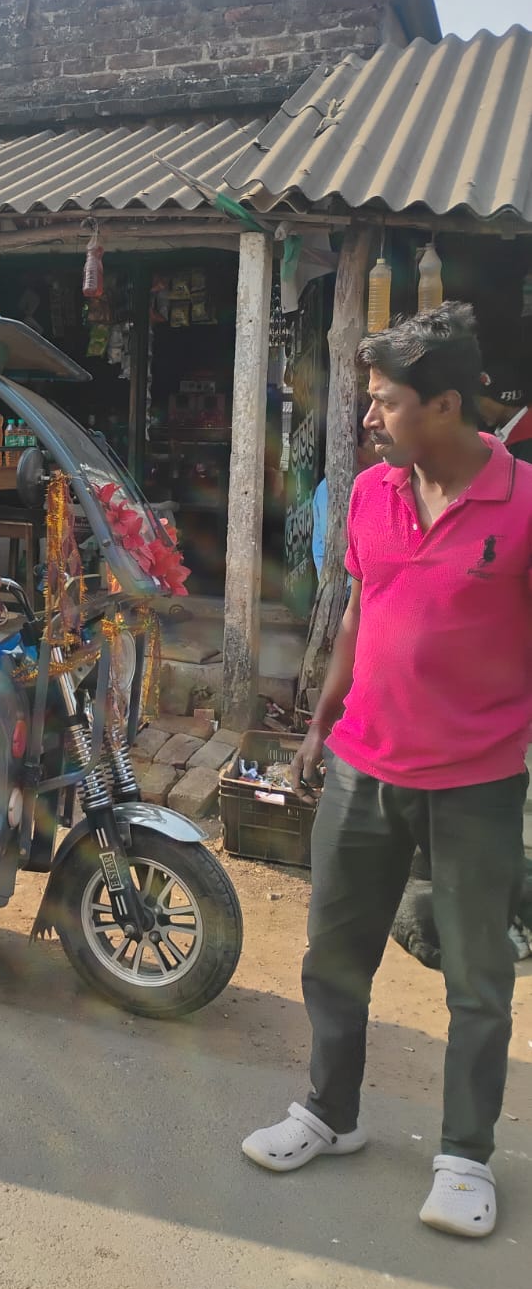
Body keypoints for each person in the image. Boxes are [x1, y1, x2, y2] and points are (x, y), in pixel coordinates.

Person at [242, 303, 531, 1239]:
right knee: (334, 958)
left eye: (386, 401)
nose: (368, 416)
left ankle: (464, 1157)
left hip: (477, 781)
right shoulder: (372, 491)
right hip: (364, 766)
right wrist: (321, 726)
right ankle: (330, 1115)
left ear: (446, 405)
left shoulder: (524, 504)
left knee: (477, 980)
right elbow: (363, 611)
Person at [311, 422, 382, 579]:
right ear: (357, 451)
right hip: (347, 583)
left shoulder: (377, 482)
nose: (380, 449)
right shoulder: (331, 489)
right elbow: (340, 544)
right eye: (373, 443)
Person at [476, 361, 532, 464]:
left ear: (504, 399)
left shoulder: (527, 443)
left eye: (479, 400)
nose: (475, 407)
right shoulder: (487, 432)